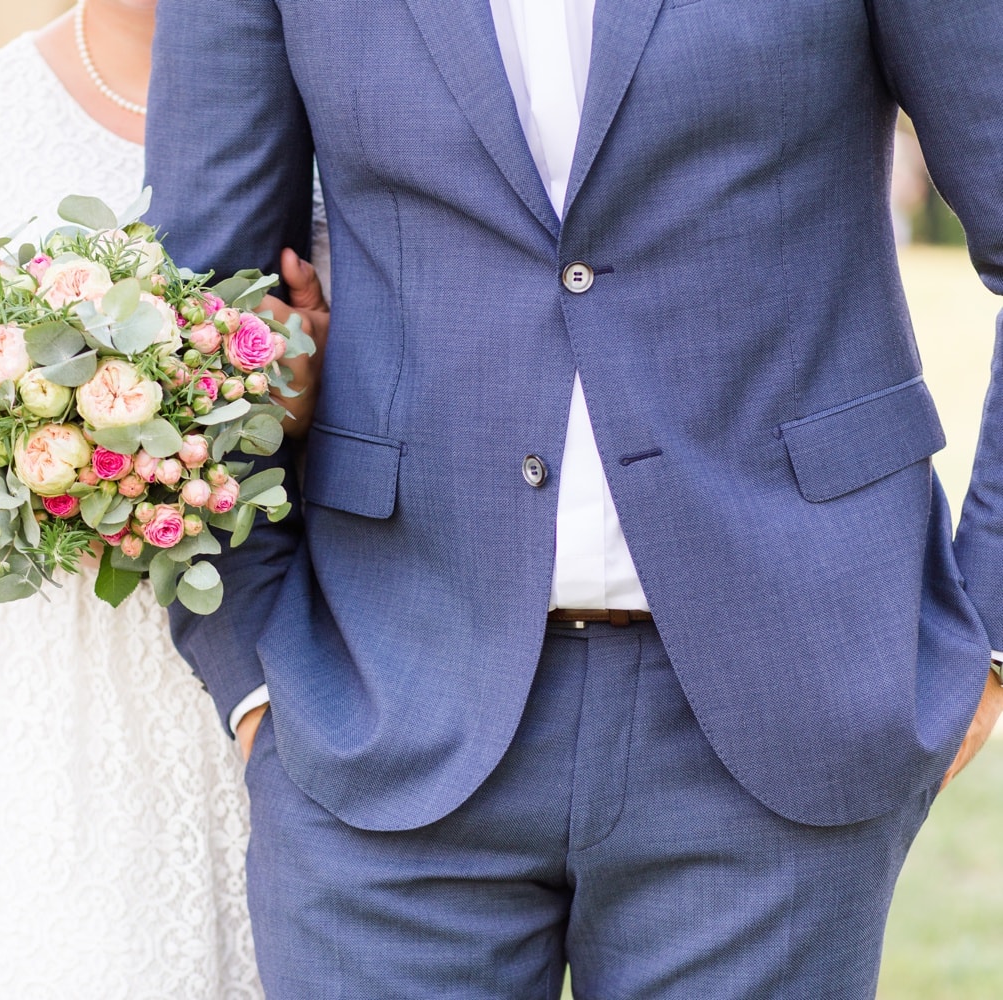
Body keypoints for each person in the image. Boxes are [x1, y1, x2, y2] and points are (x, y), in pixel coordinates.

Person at [145, 1, 1003, 997]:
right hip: (383, 685)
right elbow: (198, 301)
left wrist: (988, 635)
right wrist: (251, 664)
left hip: (783, 700)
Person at [0, 1, 326, 995]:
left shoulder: (355, 115)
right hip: (36, 726)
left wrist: (301, 397)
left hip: (297, 699)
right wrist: (54, 475)